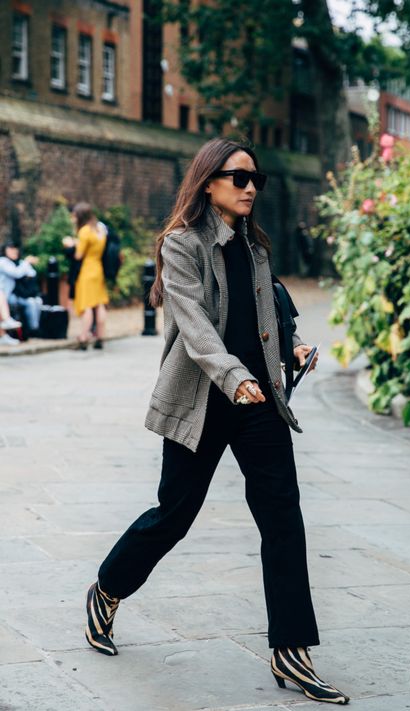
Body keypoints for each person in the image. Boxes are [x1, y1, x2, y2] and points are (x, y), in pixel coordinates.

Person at [85, 138, 350, 705]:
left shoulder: (254, 245)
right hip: (205, 400)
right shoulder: (181, 245)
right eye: (238, 177)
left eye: (255, 179)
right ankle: (107, 590)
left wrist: (294, 343)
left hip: (261, 405)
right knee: (174, 516)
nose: (250, 187)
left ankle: (291, 649)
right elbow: (197, 325)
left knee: (283, 519)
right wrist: (234, 377)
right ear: (209, 182)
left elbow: (268, 308)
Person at [62, 203, 108, 350]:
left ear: (80, 216)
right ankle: (100, 337)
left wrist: (70, 244)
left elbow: (78, 255)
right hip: (98, 269)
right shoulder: (99, 229)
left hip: (87, 271)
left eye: (74, 215)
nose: (72, 218)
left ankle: (83, 338)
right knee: (99, 304)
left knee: (87, 305)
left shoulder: (84, 231)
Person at [0, 241, 41, 337]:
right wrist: (27, 263)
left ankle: (34, 329)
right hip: (7, 295)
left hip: (20, 293)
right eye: (10, 249)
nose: (13, 251)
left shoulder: (20, 262)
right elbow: (16, 273)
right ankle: (29, 329)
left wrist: (26, 264)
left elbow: (32, 273)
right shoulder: (3, 261)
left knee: (37, 301)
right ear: (5, 250)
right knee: (29, 303)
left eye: (15, 249)